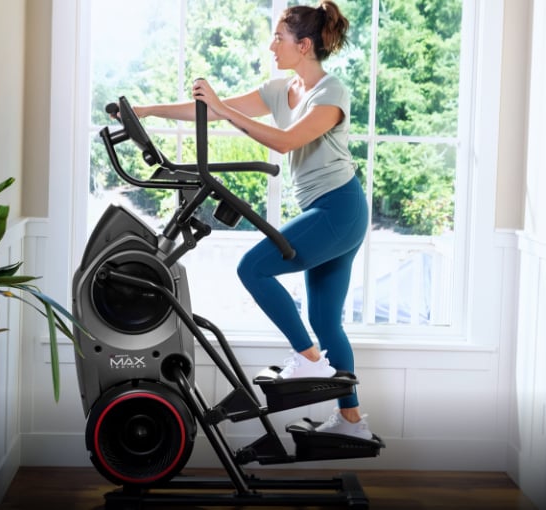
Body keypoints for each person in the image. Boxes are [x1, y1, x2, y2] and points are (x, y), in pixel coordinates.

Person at [129, 1, 372, 441]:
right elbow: (207, 109)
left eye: (279, 38)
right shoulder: (282, 90)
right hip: (327, 211)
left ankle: (310, 360)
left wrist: (223, 109)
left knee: (253, 268)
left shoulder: (330, 92)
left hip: (339, 208)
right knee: (326, 321)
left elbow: (285, 141)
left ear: (303, 45)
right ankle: (352, 422)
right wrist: (147, 111)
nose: (271, 46)